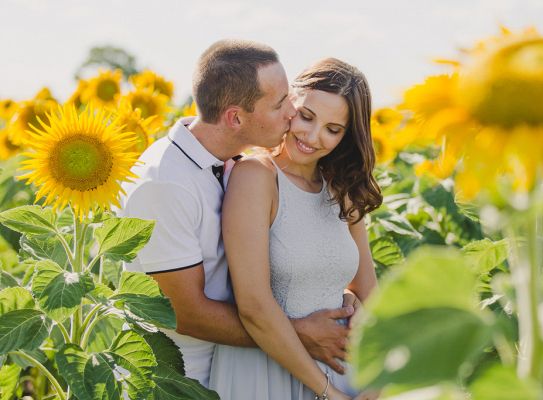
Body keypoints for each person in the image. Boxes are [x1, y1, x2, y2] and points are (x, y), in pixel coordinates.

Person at [119, 40, 361, 388]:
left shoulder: (229, 161)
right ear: (235, 117)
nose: (292, 112)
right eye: (280, 104)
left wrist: (336, 292)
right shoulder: (165, 183)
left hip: (241, 361)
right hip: (182, 379)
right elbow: (182, 311)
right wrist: (299, 333)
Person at [209, 58, 383, 400]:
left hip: (346, 376)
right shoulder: (257, 177)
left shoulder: (341, 187)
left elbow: (368, 291)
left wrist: (377, 382)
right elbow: (254, 305)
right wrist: (328, 393)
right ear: (290, 103)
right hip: (268, 374)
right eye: (307, 116)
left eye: (333, 129)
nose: (312, 137)